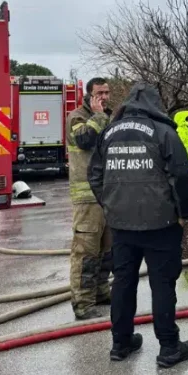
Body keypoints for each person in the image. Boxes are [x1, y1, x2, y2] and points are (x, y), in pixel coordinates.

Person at [88, 82, 188, 367]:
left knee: (123, 281)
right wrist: (184, 213)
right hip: (161, 224)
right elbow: (182, 176)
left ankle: (120, 343)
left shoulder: (108, 134)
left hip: (121, 225)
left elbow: (95, 175)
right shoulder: (164, 132)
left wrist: (110, 205)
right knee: (162, 284)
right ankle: (169, 348)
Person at [66, 77, 114, 320]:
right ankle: (83, 304)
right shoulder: (77, 117)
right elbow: (84, 140)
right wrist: (98, 116)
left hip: (107, 195)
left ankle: (101, 292)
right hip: (87, 199)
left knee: (107, 249)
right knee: (86, 252)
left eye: (107, 92)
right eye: (99, 93)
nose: (104, 97)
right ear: (89, 95)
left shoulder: (108, 116)